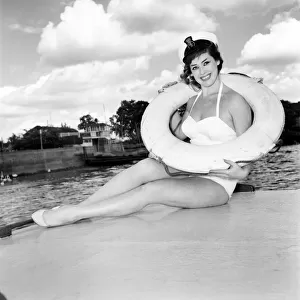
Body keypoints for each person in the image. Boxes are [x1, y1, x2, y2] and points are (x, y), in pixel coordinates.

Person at [32, 32, 252, 228]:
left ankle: (73, 214)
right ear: (190, 71)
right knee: (146, 166)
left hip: (217, 181)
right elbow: (177, 136)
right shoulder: (194, 102)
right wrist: (170, 103)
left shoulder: (235, 102)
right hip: (190, 167)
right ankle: (82, 207)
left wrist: (242, 172)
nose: (202, 71)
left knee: (152, 190)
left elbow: (252, 146)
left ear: (218, 61)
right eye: (195, 67)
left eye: (206, 63)